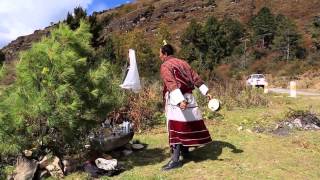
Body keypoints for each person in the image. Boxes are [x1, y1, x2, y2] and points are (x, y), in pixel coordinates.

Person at [159, 44, 212, 171]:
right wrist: (206, 92)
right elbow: (195, 78)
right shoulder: (184, 63)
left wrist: (179, 100)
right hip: (189, 97)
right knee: (187, 125)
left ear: (165, 54)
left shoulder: (165, 65)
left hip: (178, 100)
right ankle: (185, 150)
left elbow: (171, 82)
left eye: (160, 53)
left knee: (175, 128)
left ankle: (175, 160)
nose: (159, 56)